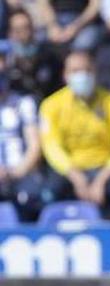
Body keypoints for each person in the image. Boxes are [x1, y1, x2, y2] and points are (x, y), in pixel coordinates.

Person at [40, 51, 110, 220]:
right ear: (65, 75)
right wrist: (76, 177)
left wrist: (101, 180)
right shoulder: (50, 105)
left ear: (95, 72)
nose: (82, 76)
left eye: (87, 70)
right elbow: (52, 148)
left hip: (107, 169)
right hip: (70, 170)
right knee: (48, 193)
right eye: (75, 71)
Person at [0, 52, 47, 222]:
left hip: (19, 174)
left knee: (29, 196)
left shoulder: (23, 103)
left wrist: (15, 172)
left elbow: (35, 147)